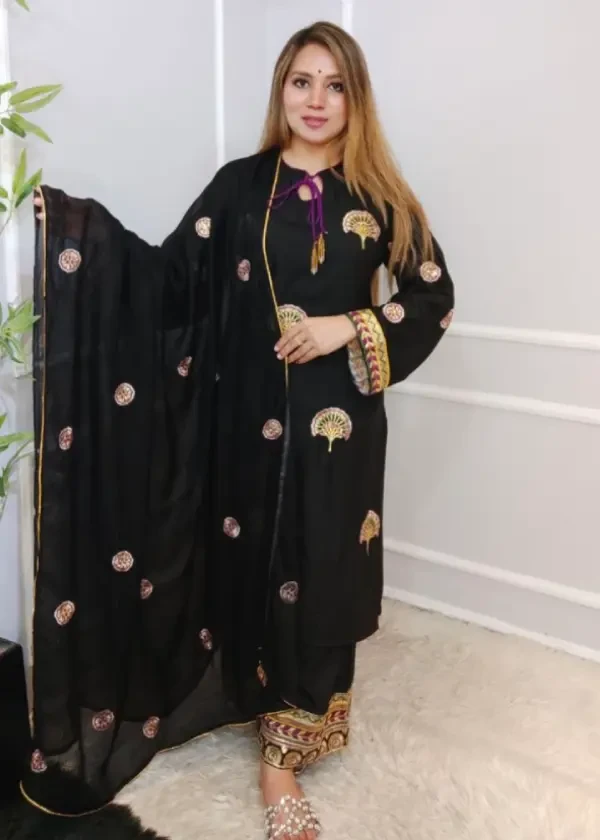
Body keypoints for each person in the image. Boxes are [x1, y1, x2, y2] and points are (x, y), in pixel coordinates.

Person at [25, 20, 454, 839]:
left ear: (355, 98)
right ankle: (248, 693)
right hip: (244, 421)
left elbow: (433, 295)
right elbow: (168, 279)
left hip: (337, 431)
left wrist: (347, 326)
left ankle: (283, 757)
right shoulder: (240, 186)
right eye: (302, 81)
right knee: (251, 556)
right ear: (281, 90)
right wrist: (78, 234)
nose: (317, 100)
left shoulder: (380, 196)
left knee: (324, 564)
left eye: (335, 85)